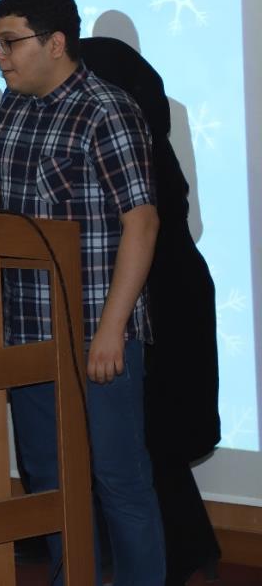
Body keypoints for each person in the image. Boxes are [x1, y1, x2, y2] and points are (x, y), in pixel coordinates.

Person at [0, 0, 164, 584]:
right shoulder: (12, 106)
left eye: (8, 42)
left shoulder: (106, 110)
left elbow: (142, 223)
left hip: (95, 333)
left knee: (118, 480)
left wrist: (112, 329)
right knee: (49, 482)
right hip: (27, 333)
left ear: (56, 43)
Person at [81, 36, 220, 585]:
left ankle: (174, 558)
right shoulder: (148, 139)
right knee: (150, 443)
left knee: (147, 442)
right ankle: (189, 550)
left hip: (155, 301)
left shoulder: (129, 145)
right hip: (165, 295)